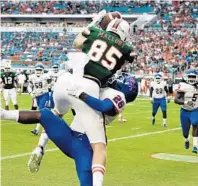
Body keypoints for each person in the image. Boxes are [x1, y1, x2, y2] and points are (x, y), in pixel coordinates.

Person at [1, 73, 138, 186]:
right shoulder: (99, 88)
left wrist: (82, 94)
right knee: (46, 114)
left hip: (87, 146)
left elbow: (103, 107)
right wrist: (40, 146)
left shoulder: (118, 96)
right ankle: (3, 114)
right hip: (70, 136)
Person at [174, 69, 198, 154]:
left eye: (193, 77)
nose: (191, 78)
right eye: (190, 76)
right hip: (184, 110)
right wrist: (186, 102)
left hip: (195, 109)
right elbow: (176, 100)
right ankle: (187, 140)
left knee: (196, 124)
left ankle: (195, 146)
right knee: (185, 133)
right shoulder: (183, 85)